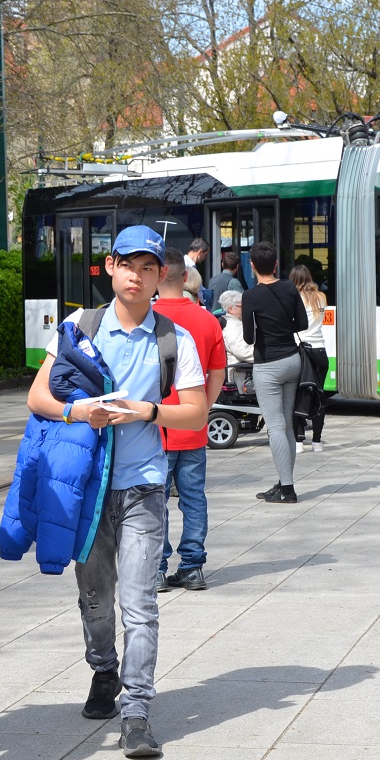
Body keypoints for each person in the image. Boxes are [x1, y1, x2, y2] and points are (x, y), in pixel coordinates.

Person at [26, 225, 208, 759]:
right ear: (109, 267)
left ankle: (137, 711)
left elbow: (196, 411)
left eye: (147, 267)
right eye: (127, 264)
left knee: (140, 602)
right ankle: (103, 669)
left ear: (160, 275)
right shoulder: (79, 327)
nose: (136, 275)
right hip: (86, 488)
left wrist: (145, 410)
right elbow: (37, 396)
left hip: (144, 487)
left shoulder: (173, 339)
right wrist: (79, 410)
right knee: (95, 599)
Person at [153, 248, 226, 593]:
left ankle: (156, 568)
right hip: (193, 430)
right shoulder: (208, 319)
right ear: (186, 277)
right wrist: (200, 411)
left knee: (155, 500)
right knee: (194, 498)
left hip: (155, 429)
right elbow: (216, 374)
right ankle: (193, 566)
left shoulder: (145, 317)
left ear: (156, 276)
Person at [241, 240, 308, 504]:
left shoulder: (251, 296)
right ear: (276, 264)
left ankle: (288, 490)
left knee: (276, 426)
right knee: (288, 425)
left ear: (253, 265)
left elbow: (248, 338)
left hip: (268, 365)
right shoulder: (289, 287)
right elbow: (301, 323)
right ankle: (283, 482)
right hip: (292, 360)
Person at [289, 265, 328, 454]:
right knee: (318, 396)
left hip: (301, 350)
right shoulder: (321, 297)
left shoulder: (294, 298)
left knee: (299, 395)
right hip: (320, 351)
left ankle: (298, 441)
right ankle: (318, 442)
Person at [219, 290, 254, 390]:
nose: (245, 309)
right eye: (242, 306)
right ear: (231, 309)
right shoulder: (233, 326)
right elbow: (244, 352)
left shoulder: (231, 323)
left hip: (241, 374)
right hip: (241, 378)